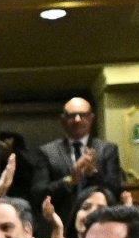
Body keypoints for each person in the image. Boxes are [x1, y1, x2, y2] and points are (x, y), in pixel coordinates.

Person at [34, 96, 126, 227]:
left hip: (101, 223)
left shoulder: (107, 149)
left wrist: (93, 173)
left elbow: (115, 191)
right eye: (72, 115)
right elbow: (39, 193)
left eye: (83, 115)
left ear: (91, 118)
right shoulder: (47, 152)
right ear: (63, 119)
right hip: (61, 223)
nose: (77, 120)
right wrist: (70, 180)